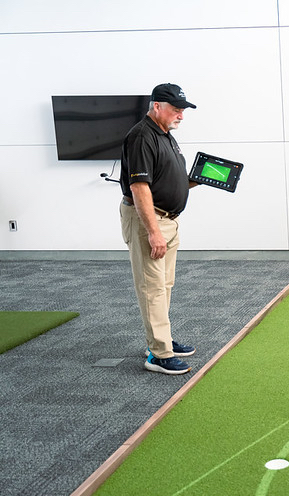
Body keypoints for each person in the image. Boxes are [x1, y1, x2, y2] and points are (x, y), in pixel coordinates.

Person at [120, 83, 199, 374]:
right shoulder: (142, 136)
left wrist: (195, 179)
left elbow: (165, 177)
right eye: (176, 110)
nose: (181, 115)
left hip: (169, 219)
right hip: (150, 220)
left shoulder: (165, 134)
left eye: (182, 110)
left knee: (164, 285)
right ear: (156, 107)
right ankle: (158, 354)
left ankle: (159, 339)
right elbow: (139, 187)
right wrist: (152, 231)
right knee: (152, 287)